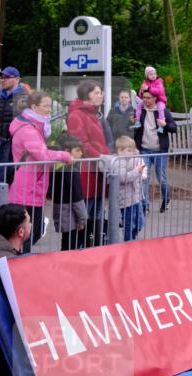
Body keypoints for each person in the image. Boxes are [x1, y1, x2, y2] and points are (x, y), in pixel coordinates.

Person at [8, 91, 73, 252]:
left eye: (50, 106)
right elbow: (41, 154)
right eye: (45, 106)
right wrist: (64, 155)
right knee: (30, 230)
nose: (49, 110)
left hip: (32, 183)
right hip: (26, 185)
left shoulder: (34, 126)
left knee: (32, 230)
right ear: (34, 107)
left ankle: (20, 256)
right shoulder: (27, 129)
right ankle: (18, 257)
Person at [67, 80, 111, 247]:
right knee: (84, 219)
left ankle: (91, 249)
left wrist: (105, 157)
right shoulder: (76, 115)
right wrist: (101, 157)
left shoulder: (93, 114)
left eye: (101, 92)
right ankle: (79, 250)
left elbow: (99, 142)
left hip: (97, 172)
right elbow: (81, 144)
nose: (101, 96)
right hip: (86, 174)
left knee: (96, 218)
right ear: (87, 95)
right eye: (97, 93)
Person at [135, 88, 177, 212]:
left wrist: (165, 125)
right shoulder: (139, 111)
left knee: (161, 178)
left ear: (155, 98)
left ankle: (166, 198)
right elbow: (133, 126)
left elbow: (174, 128)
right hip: (144, 149)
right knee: (144, 178)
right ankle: (145, 206)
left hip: (160, 151)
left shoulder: (162, 111)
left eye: (148, 98)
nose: (145, 100)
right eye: (144, 97)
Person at [51, 133, 88, 250]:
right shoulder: (72, 171)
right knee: (71, 245)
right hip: (70, 214)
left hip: (62, 211)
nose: (81, 153)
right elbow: (77, 196)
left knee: (66, 242)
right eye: (77, 150)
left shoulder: (60, 170)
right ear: (67, 152)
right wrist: (83, 218)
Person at [107, 136, 147, 241]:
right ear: (120, 151)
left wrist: (142, 172)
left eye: (133, 150)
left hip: (136, 197)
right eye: (129, 151)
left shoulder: (133, 159)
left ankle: (131, 238)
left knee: (140, 223)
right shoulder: (118, 162)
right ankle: (128, 242)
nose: (132, 153)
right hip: (126, 200)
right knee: (129, 224)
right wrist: (136, 171)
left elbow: (142, 164)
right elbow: (123, 177)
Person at [0, 66, 30, 182]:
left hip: (12, 143)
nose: (3, 80)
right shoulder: (0, 96)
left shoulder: (23, 97)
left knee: (5, 175)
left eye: (7, 77)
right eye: (2, 77)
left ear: (17, 79)